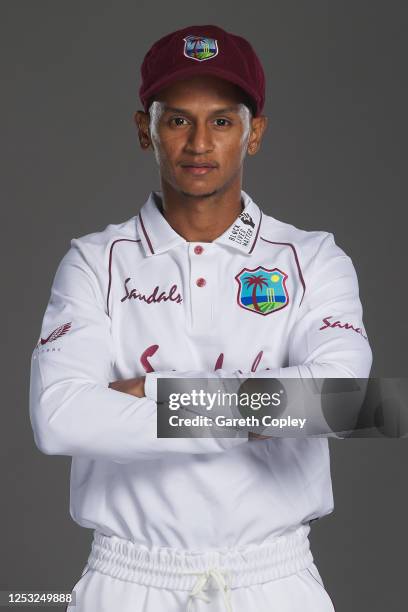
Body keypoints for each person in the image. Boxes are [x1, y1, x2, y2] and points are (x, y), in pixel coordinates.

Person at [29, 24, 372, 611]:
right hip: (127, 578)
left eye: (221, 121)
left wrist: (159, 397)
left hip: (274, 578)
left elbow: (343, 401)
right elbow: (59, 418)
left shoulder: (313, 258)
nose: (198, 143)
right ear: (146, 130)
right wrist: (266, 406)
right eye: (177, 119)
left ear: (253, 133)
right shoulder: (94, 261)